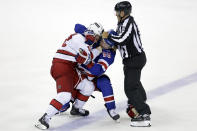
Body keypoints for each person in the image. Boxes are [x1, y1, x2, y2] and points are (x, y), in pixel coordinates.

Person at [35, 22, 104, 130]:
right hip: (61, 67)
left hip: (70, 68)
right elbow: (87, 59)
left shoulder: (82, 38)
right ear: (93, 33)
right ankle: (44, 118)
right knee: (65, 96)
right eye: (97, 36)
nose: (97, 39)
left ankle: (76, 108)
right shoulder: (79, 39)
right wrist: (100, 49)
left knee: (88, 86)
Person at [102, 1, 151, 127]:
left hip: (135, 59)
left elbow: (123, 39)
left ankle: (144, 114)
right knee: (134, 81)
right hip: (131, 60)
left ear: (123, 12)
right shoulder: (122, 23)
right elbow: (120, 40)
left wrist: (109, 37)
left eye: (118, 12)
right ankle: (142, 98)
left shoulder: (129, 22)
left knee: (129, 88)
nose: (116, 14)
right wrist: (112, 44)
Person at [59, 24, 120, 121]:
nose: (103, 43)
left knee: (104, 82)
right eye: (104, 39)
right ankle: (67, 102)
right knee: (64, 102)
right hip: (77, 72)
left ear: (113, 46)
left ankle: (111, 109)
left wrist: (87, 62)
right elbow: (77, 26)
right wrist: (90, 31)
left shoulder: (109, 54)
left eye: (107, 43)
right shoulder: (98, 38)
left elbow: (98, 70)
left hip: (91, 77)